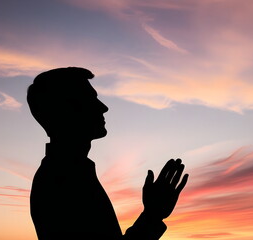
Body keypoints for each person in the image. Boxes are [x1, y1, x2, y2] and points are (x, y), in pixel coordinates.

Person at [27, 67, 188, 240]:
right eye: (90, 99)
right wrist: (152, 216)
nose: (104, 108)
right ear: (67, 109)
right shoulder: (63, 180)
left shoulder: (69, 172)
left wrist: (152, 215)